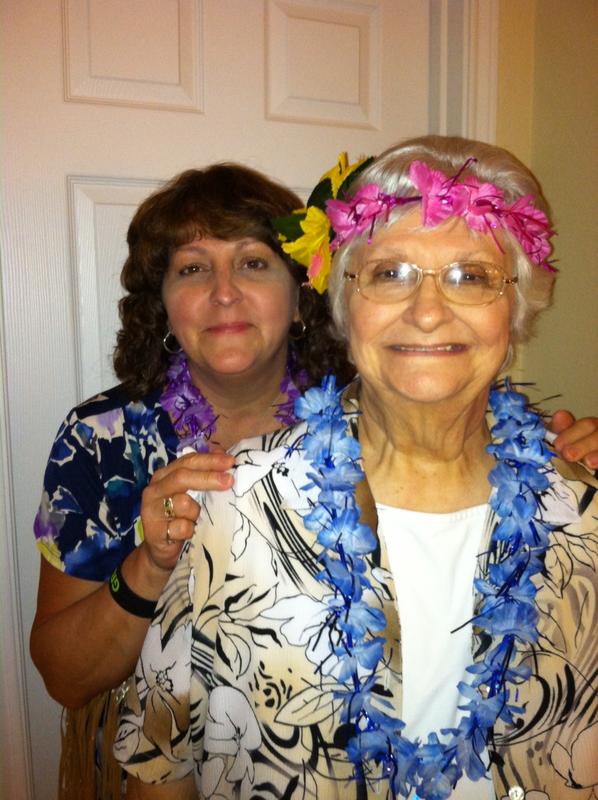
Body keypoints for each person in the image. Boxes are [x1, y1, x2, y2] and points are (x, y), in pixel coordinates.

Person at [114, 137, 598, 800]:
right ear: (344, 306)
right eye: (390, 273)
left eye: (472, 275)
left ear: (515, 310)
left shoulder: (584, 517)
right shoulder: (231, 504)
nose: (428, 311)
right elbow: (159, 763)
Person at [30, 163, 353, 800]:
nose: (224, 292)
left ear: (300, 297)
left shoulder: (370, 426)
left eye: (253, 263)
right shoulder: (100, 440)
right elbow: (65, 679)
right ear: (164, 306)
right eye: (193, 268)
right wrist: (150, 565)